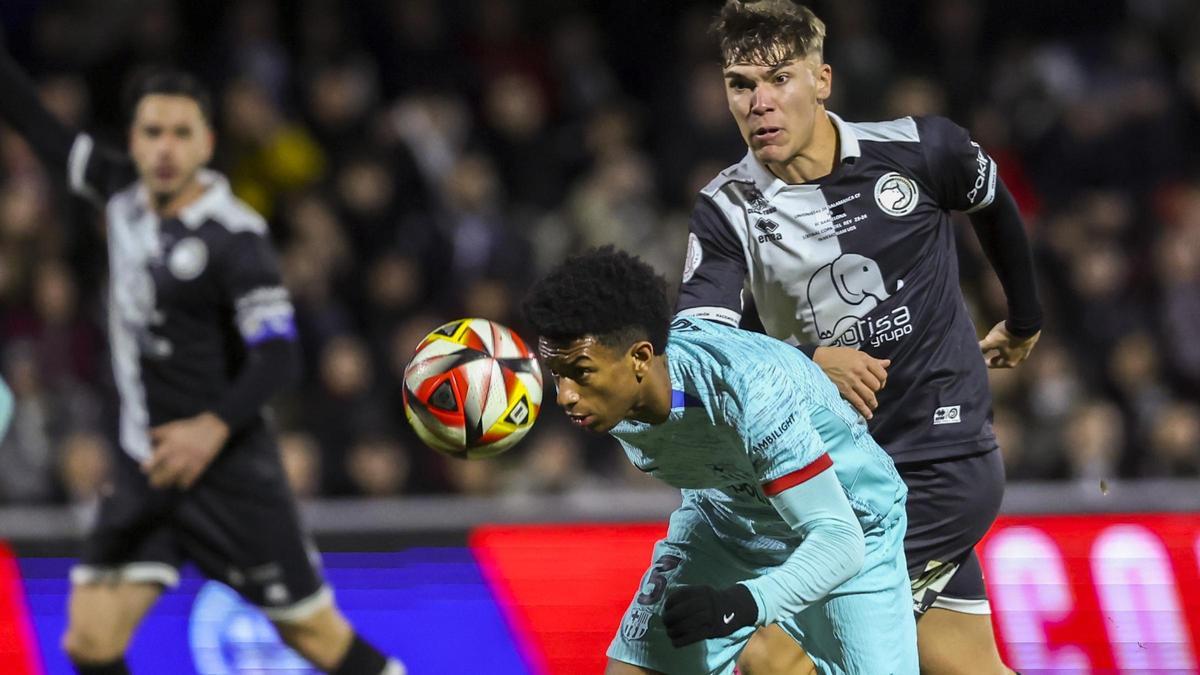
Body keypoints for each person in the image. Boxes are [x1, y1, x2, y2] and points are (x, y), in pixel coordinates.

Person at [0, 44, 404, 675]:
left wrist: (210, 428)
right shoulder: (118, 194)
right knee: (90, 642)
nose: (165, 148)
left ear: (207, 142)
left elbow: (279, 356)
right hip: (149, 470)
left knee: (319, 641)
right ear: (132, 140)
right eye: (152, 131)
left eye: (181, 133)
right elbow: (34, 120)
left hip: (231, 474)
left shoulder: (235, 237)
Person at [675, 2, 1042, 673]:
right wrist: (809, 359)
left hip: (937, 463)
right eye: (740, 84)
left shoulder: (920, 149)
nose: (759, 102)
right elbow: (700, 353)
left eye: (779, 78)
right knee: (964, 666)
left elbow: (992, 203)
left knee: (774, 655)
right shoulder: (726, 209)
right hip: (836, 481)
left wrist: (1025, 319)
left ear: (823, 80)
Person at [523, 246, 917, 675]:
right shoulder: (612, 399)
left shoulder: (748, 392)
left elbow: (840, 539)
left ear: (639, 358)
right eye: (557, 374)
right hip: (724, 520)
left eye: (580, 372)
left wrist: (742, 604)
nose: (564, 395)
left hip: (851, 525)